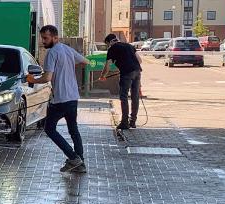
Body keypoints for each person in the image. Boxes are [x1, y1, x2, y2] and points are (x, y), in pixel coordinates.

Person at [27, 25, 90, 174]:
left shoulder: (52, 53)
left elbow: (47, 77)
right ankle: (80, 163)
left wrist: (32, 79)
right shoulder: (68, 50)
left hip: (61, 99)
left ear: (55, 37)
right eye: (42, 38)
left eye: (46, 38)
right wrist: (68, 65)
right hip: (73, 97)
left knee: (49, 128)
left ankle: (73, 158)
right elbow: (85, 61)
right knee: (73, 129)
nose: (43, 41)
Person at [99, 34, 143, 130]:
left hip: (126, 74)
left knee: (124, 97)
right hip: (137, 72)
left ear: (109, 42)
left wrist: (102, 76)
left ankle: (124, 123)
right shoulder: (129, 45)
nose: (108, 47)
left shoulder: (112, 49)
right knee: (135, 97)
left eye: (107, 44)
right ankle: (133, 122)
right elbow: (140, 60)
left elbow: (107, 66)